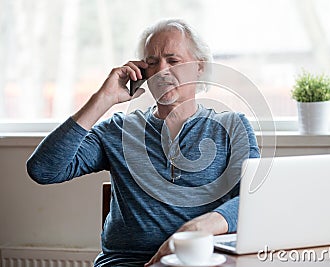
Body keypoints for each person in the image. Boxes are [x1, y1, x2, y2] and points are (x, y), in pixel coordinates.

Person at [27, 19, 259, 266]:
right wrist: (103, 99)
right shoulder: (117, 129)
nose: (161, 71)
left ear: (199, 66)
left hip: (197, 260)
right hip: (125, 262)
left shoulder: (231, 127)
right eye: (152, 63)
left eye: (173, 60)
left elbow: (253, 198)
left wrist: (196, 228)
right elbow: (43, 170)